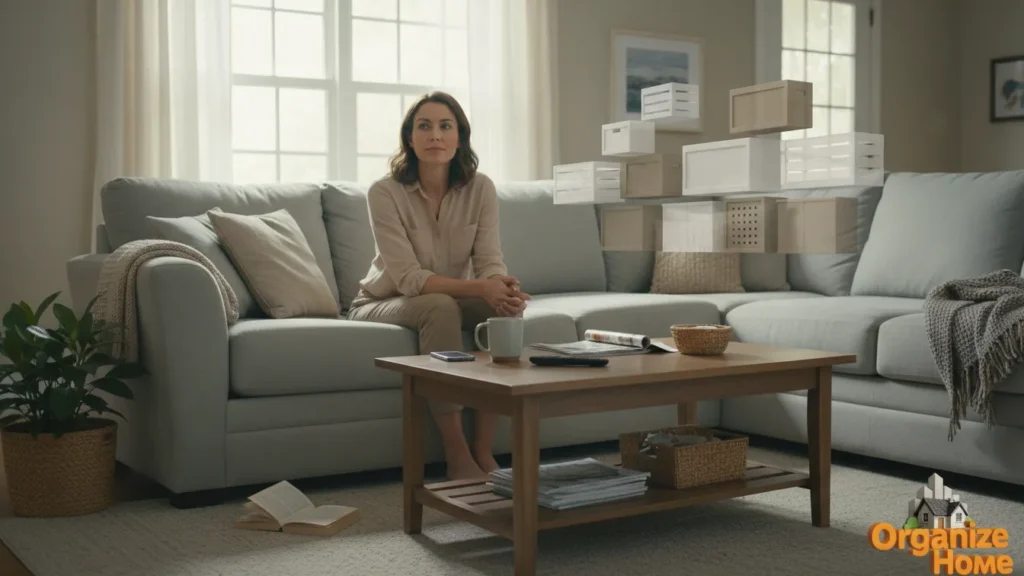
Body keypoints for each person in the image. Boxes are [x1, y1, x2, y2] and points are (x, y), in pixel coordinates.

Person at [347, 91, 531, 480]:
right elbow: (410, 280)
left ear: (460, 138)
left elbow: (488, 261)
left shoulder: (481, 188)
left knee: (504, 312)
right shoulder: (384, 192)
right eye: (424, 126)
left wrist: (502, 288)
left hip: (445, 294)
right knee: (440, 306)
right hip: (383, 300)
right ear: (409, 139)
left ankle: (484, 448)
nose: (435, 135)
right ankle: (456, 454)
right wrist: (482, 288)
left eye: (445, 126)